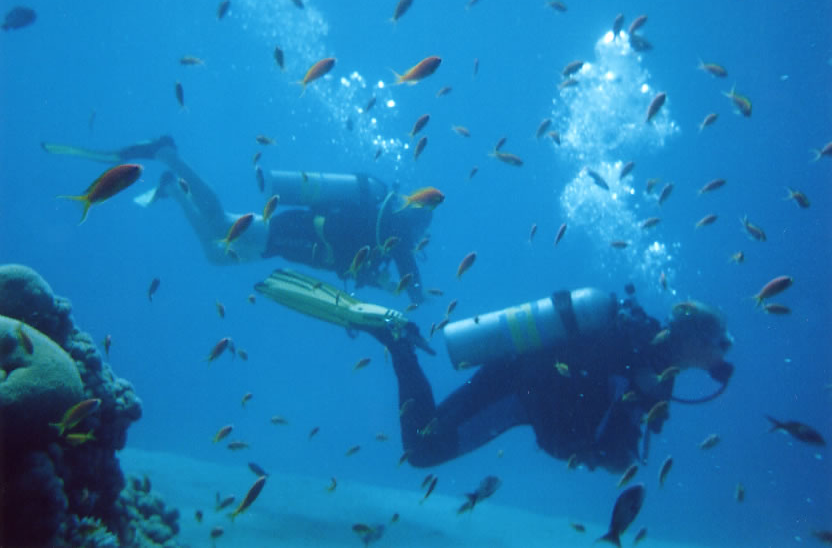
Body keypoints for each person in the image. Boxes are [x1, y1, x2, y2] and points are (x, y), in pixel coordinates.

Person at [255, 273, 734, 474]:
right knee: (423, 449)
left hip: (523, 397)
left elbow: (614, 429)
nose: (722, 353)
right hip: (515, 393)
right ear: (692, 335)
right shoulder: (633, 343)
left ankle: (396, 339)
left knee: (424, 446)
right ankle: (396, 339)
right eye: (718, 341)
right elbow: (587, 392)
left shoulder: (659, 369)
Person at [41, 136, 432, 303]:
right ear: (413, 220)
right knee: (219, 221)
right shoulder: (395, 228)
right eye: (419, 230)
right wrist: (415, 294)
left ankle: (173, 187)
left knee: (216, 252)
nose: (416, 240)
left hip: (291, 243)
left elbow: (375, 262)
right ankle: (169, 156)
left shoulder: (386, 230)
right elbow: (406, 264)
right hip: (292, 232)